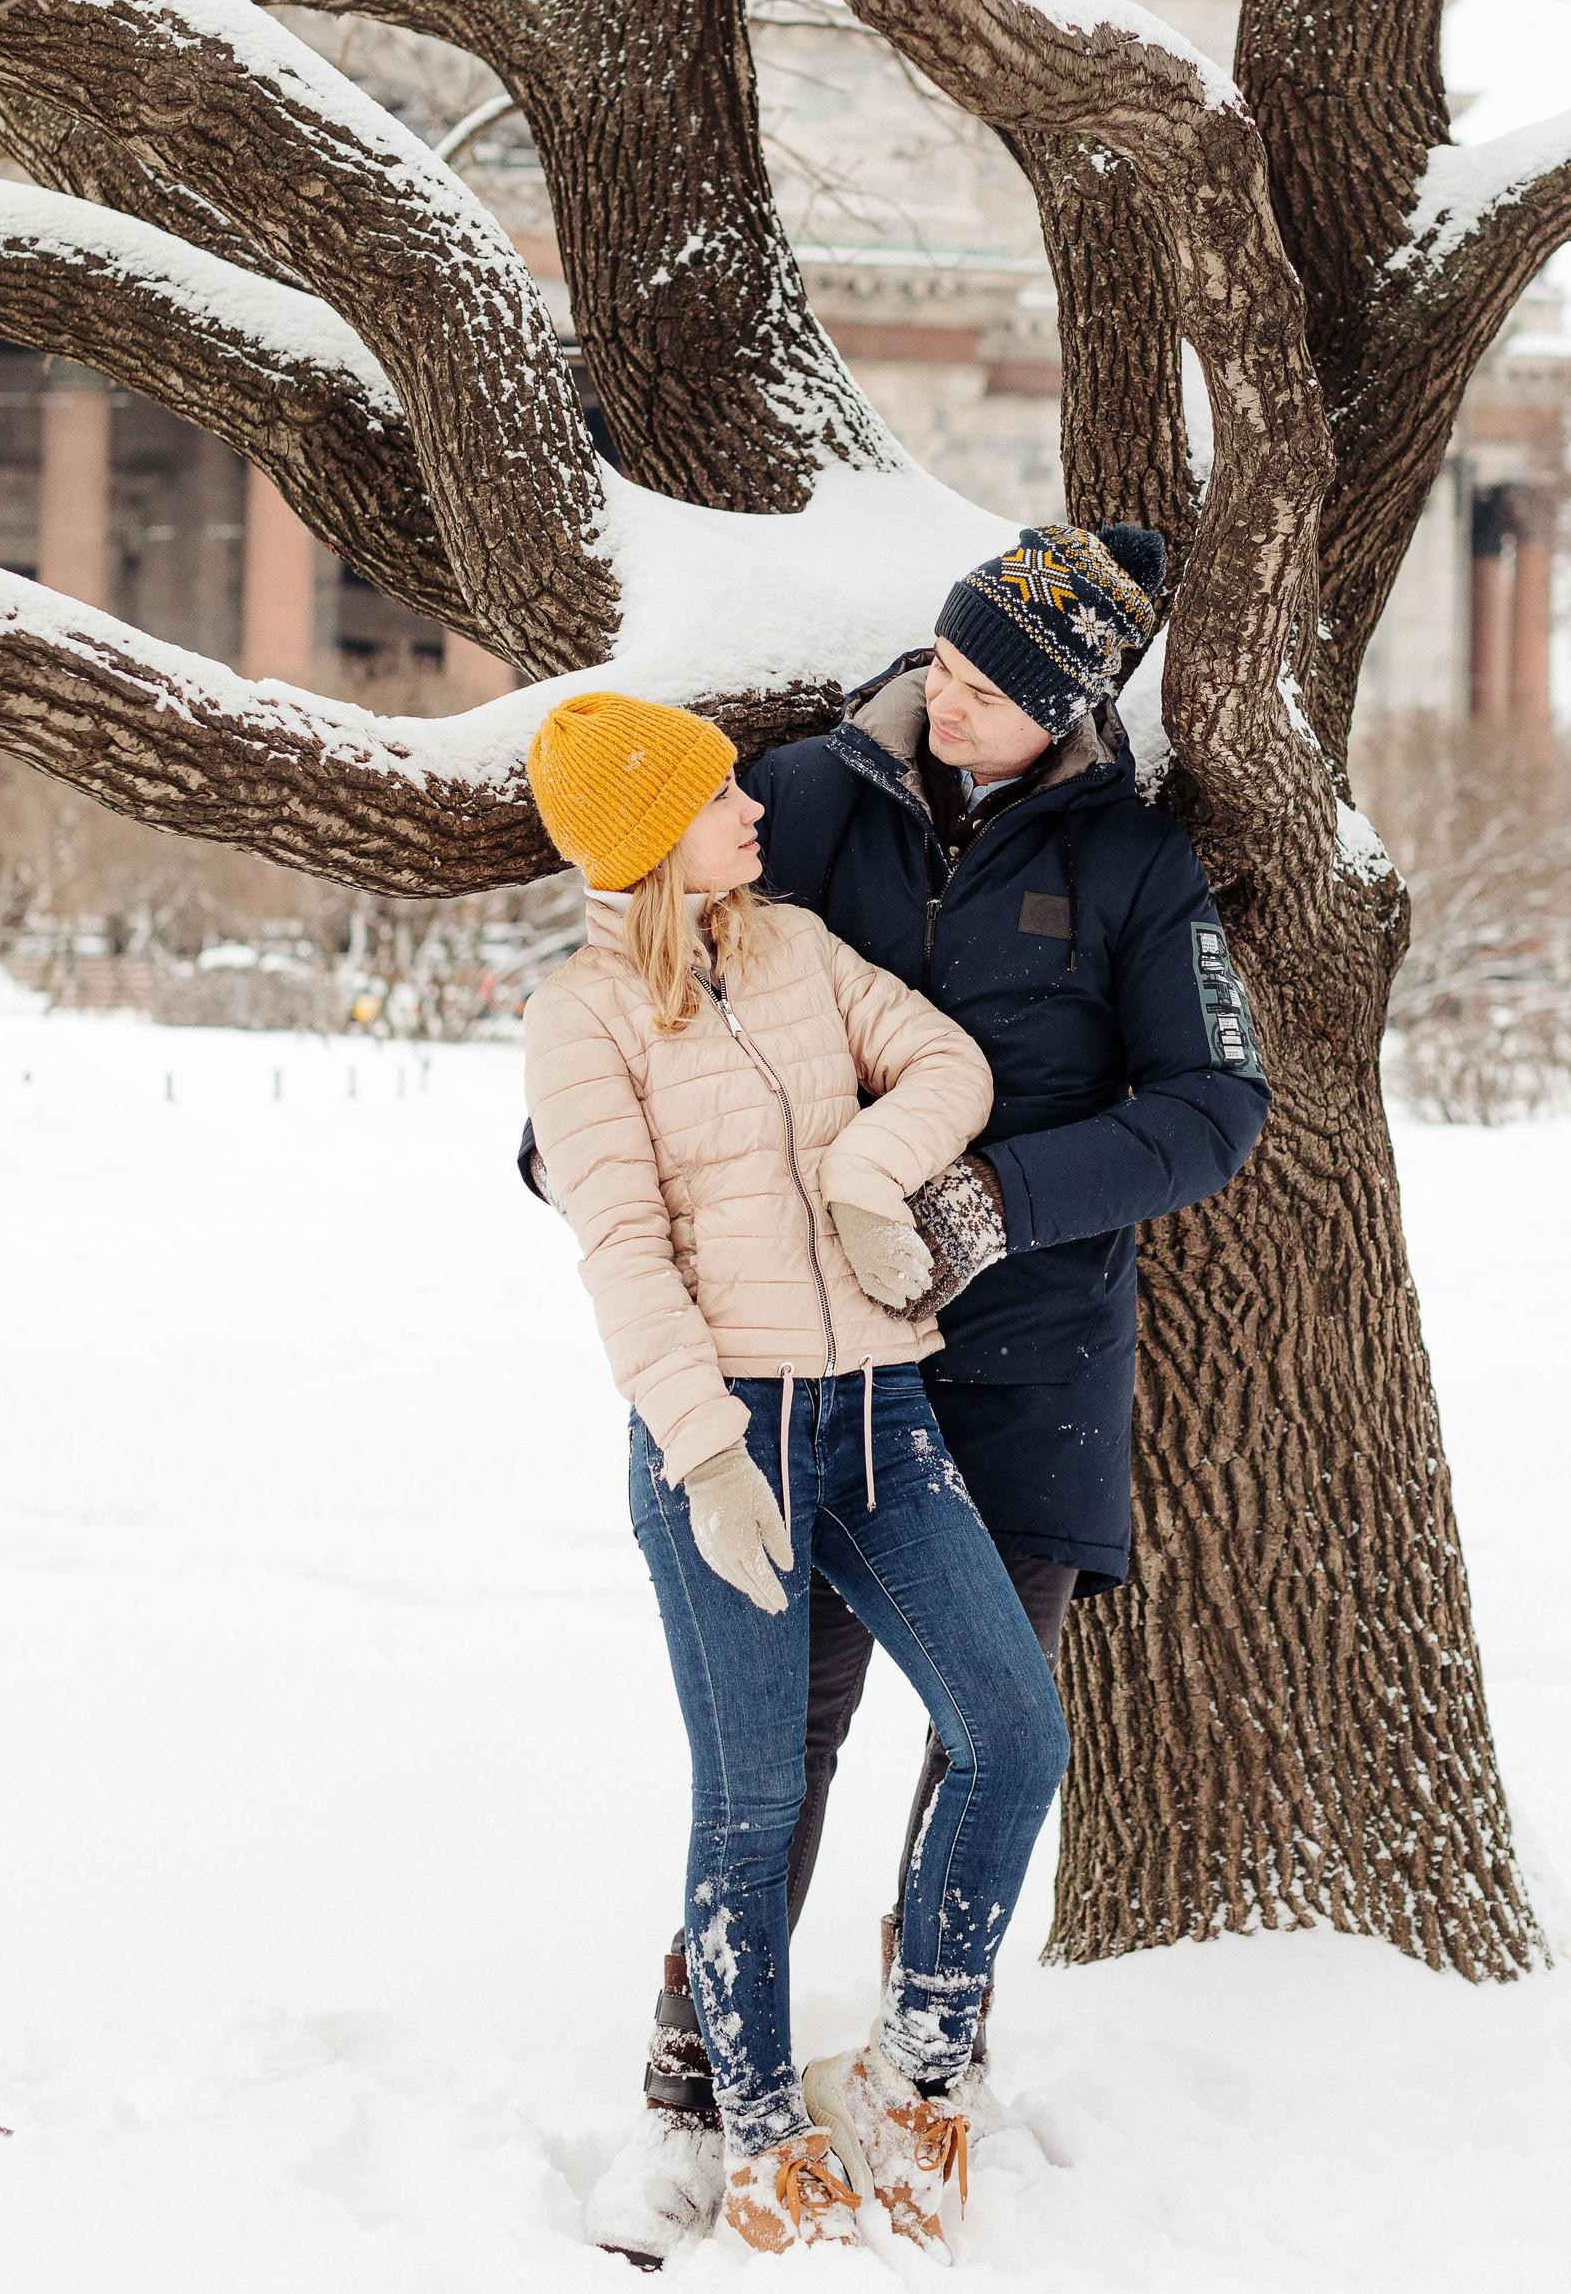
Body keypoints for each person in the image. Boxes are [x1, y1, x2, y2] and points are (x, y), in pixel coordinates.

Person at [557, 522, 1270, 2267]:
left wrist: (986, 1203)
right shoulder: (800, 795)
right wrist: (649, 1207)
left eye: (980, 691)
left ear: (1069, 712)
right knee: (779, 1740)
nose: (938, 703)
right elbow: (641, 1024)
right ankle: (693, 2092)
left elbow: (1213, 1112)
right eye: (938, 669)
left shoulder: (1134, 866)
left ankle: (924, 2060)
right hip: (782, 1371)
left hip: (1020, 1370)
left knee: (992, 1728)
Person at [523, 688, 1070, 2262]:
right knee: (755, 1802)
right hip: (728, 1437)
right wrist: (704, 1456)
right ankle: (761, 2133)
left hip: (883, 1417)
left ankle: (917, 2074)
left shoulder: (796, 947)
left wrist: (866, 1164)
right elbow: (622, 1251)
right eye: (714, 799)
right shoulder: (583, 1018)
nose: (752, 809)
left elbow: (948, 1066)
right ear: (644, 843)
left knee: (1014, 1732)